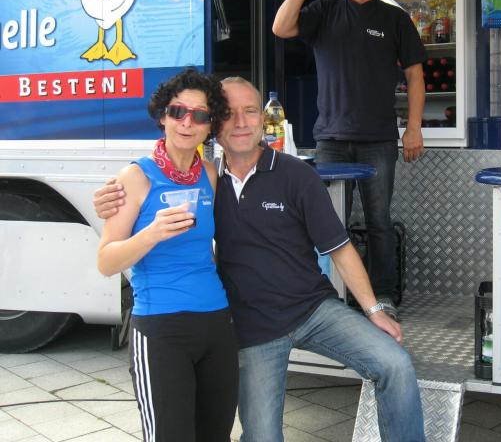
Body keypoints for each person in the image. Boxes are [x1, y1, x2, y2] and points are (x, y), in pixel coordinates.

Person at [94, 76, 425, 442]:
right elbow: (140, 216)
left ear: (264, 120)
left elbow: (340, 248)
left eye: (250, 111)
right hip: (251, 327)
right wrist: (112, 201)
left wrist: (374, 309)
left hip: (312, 310)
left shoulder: (290, 173)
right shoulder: (209, 178)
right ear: (216, 124)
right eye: (229, 113)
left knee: (396, 364)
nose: (240, 122)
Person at [271, 0, 426, 318]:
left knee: (379, 221)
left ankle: (383, 297)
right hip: (331, 140)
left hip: (379, 140)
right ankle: (327, 295)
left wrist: (414, 128)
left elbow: (416, 75)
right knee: (326, 222)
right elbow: (280, 27)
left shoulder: (395, 19)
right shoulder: (324, 11)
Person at [96, 68, 238, 442]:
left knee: (216, 436)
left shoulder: (209, 174)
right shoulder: (135, 177)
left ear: (210, 126)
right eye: (177, 111)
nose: (187, 122)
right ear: (163, 116)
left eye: (200, 115)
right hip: (161, 327)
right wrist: (152, 234)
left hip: (216, 323)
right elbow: (106, 261)